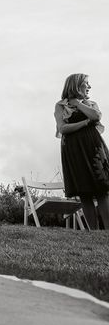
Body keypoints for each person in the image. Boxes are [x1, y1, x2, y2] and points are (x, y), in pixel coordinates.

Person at [55, 73, 109, 229]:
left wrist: (78, 103)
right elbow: (63, 128)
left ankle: (107, 231)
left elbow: (96, 116)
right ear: (76, 85)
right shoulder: (60, 106)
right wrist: (85, 122)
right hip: (73, 150)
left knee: (102, 189)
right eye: (86, 83)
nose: (89, 86)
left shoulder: (90, 104)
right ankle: (93, 231)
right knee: (84, 190)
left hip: (94, 148)